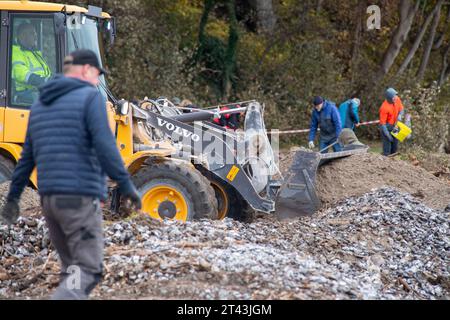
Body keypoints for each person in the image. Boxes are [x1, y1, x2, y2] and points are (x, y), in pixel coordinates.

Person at [0, 49, 142, 300]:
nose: (98, 81)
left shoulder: (41, 104)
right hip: (79, 199)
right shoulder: (89, 98)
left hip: (50, 201)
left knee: (73, 270)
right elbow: (106, 147)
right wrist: (127, 185)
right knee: (88, 269)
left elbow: (26, 159)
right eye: (97, 75)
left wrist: (13, 198)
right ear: (85, 70)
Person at [12, 23, 52, 104]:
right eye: (32, 33)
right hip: (25, 94)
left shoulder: (35, 53)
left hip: (39, 91)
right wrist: (43, 80)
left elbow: (46, 72)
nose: (36, 36)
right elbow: (21, 73)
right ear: (22, 36)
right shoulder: (15, 52)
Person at [379, 88, 405, 156]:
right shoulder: (384, 107)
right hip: (386, 127)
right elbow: (383, 124)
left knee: (395, 146)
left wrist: (400, 115)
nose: (395, 98)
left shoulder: (397, 99)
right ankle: (385, 161)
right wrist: (387, 134)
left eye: (395, 96)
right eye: (393, 97)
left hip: (395, 126)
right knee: (387, 148)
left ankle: (394, 162)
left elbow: (401, 109)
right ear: (389, 98)